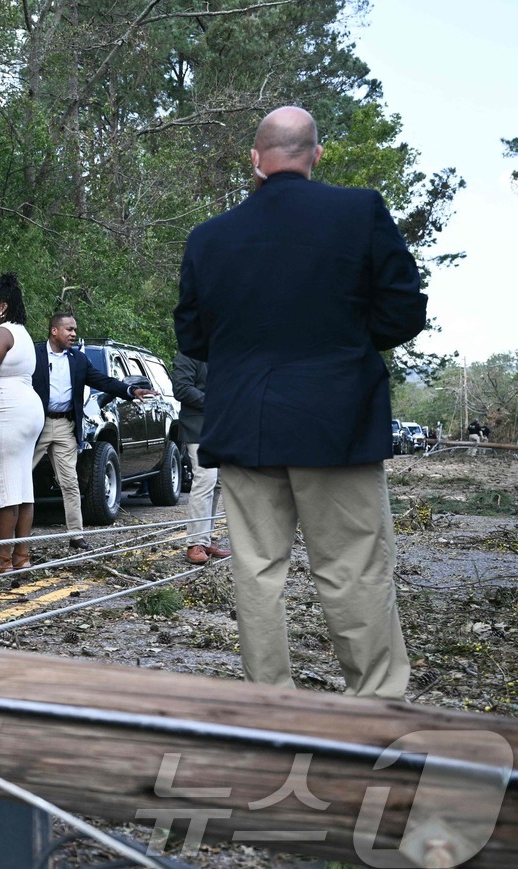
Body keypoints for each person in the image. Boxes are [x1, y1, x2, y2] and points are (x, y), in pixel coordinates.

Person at [174, 105, 426, 699]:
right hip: (334, 423)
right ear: (315, 155)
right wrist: (343, 343)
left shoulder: (210, 237)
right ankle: (375, 711)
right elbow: (404, 310)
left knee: (256, 572)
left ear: (256, 161)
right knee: (353, 569)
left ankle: (272, 708)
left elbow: (194, 336)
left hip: (246, 424)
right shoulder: (359, 211)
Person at [29, 313, 154, 549]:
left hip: (66, 426)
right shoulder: (34, 355)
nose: (74, 334)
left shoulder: (78, 360)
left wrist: (130, 391)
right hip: (38, 425)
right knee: (21, 474)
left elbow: (103, 381)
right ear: (54, 331)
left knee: (70, 482)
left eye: (75, 329)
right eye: (69, 329)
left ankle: (76, 536)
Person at [0, 274, 45, 573]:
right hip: (27, 408)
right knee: (22, 486)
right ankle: (22, 555)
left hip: (6, 409)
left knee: (4, 486)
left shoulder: (0, 333)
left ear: (3, 307)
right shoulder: (22, 332)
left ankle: (2, 558)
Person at [172, 351, 229, 564]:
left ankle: (205, 540)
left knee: (217, 482)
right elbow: (182, 389)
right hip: (198, 426)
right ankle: (194, 543)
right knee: (205, 479)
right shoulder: (188, 353)